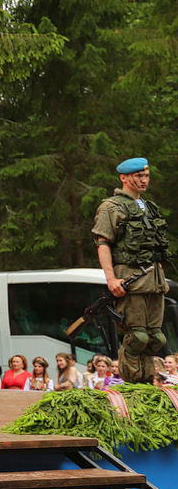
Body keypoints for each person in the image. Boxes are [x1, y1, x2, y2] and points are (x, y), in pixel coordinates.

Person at [92, 157, 171, 384]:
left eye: (146, 175)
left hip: (154, 281)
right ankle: (131, 385)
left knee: (156, 338)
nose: (144, 180)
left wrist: (161, 278)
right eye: (139, 176)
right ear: (124, 178)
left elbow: (154, 248)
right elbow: (103, 243)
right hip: (131, 280)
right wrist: (111, 279)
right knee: (137, 337)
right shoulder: (111, 207)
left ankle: (147, 383)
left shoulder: (150, 207)